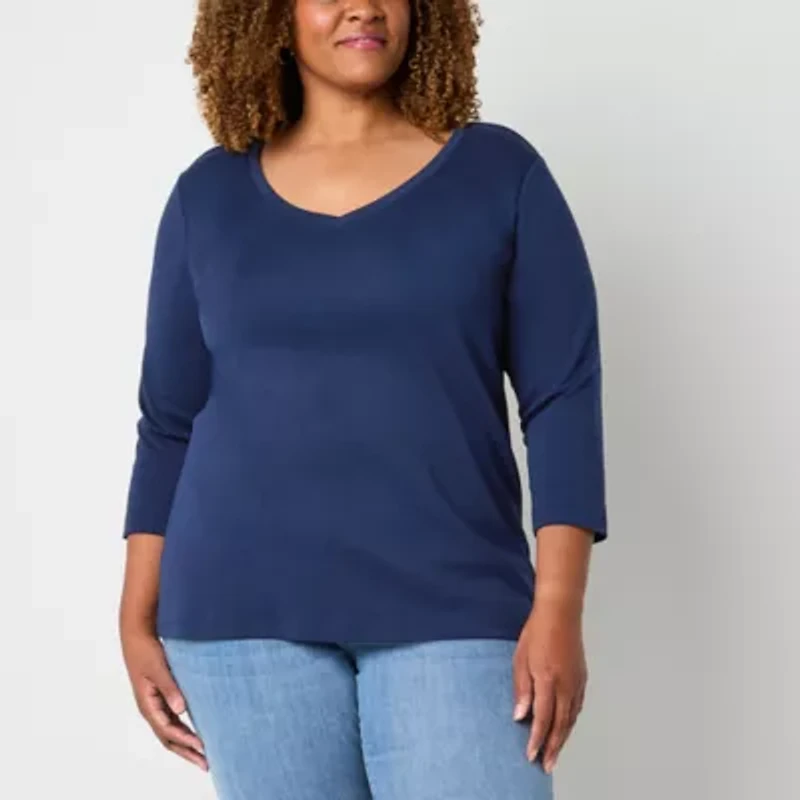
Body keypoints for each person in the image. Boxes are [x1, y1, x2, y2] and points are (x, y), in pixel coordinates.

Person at [118, 1, 608, 798]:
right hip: (241, 612)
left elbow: (562, 397)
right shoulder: (207, 196)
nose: (364, 6)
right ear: (269, 14)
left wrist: (559, 603)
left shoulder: (499, 174)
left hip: (456, 602)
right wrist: (135, 617)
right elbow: (170, 421)